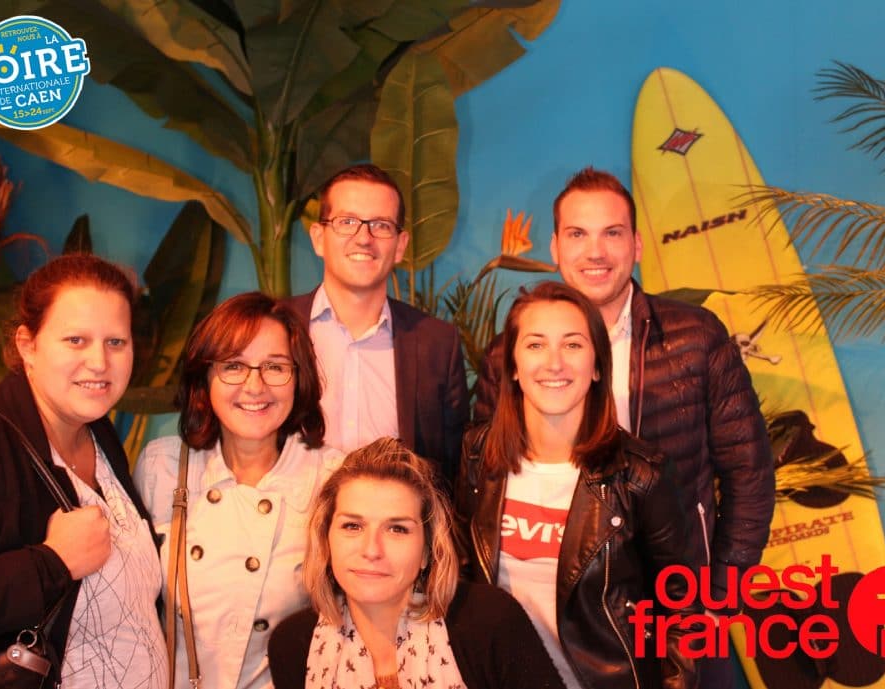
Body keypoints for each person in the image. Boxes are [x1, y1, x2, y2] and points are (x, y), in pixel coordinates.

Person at [472, 168, 774, 687]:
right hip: (555, 610)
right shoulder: (508, 353)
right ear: (555, 246)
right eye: (577, 234)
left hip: (678, 607)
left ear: (635, 245)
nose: (595, 252)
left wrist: (718, 600)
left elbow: (750, 473)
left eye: (612, 233)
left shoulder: (695, 338)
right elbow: (485, 479)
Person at [458, 281, 700, 689]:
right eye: (536, 345)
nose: (554, 363)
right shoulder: (479, 457)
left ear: (598, 365)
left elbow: (683, 610)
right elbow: (460, 582)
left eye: (572, 345)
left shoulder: (641, 475)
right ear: (514, 366)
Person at [0, 253, 167, 687]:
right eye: (75, 341)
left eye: (115, 342)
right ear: (28, 345)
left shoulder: (98, 432)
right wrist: (51, 563)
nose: (100, 362)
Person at [134, 292, 343, 689]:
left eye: (275, 366)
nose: (254, 385)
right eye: (233, 366)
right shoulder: (162, 467)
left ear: (299, 378)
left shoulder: (330, 476)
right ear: (205, 378)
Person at [268, 437, 566, 689]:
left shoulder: (488, 624)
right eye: (352, 526)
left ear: (427, 550)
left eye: (397, 529)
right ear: (325, 539)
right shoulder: (294, 645)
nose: (372, 550)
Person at [286, 163, 469, 485]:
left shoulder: (437, 344)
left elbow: (450, 471)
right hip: (286, 531)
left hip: (390, 531)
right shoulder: (274, 327)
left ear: (400, 245)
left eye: (381, 226)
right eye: (347, 222)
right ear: (318, 237)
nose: (363, 238)